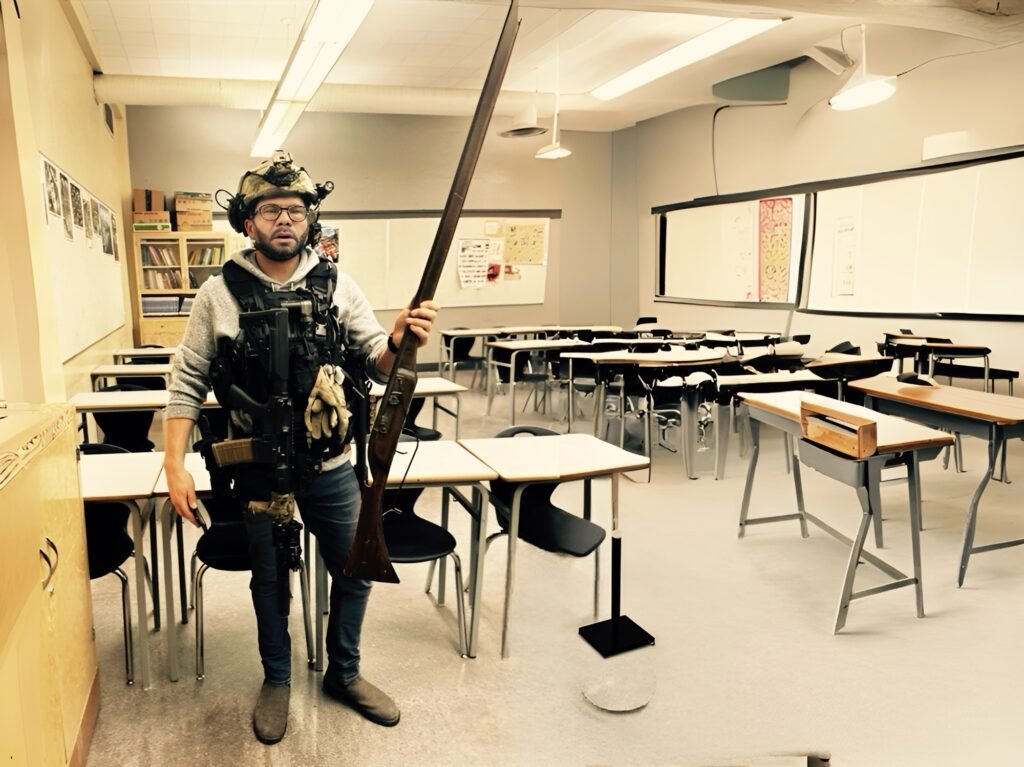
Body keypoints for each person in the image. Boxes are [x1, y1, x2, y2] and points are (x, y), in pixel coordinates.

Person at [164, 151, 438, 745]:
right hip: (261, 473)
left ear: (311, 220)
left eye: (294, 210)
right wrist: (173, 463)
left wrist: (396, 340)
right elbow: (186, 381)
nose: (283, 220)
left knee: (358, 568)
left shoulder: (339, 285)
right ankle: (278, 679)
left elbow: (378, 362)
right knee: (269, 582)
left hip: (334, 468)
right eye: (269, 210)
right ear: (247, 222)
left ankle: (344, 673)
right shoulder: (218, 293)